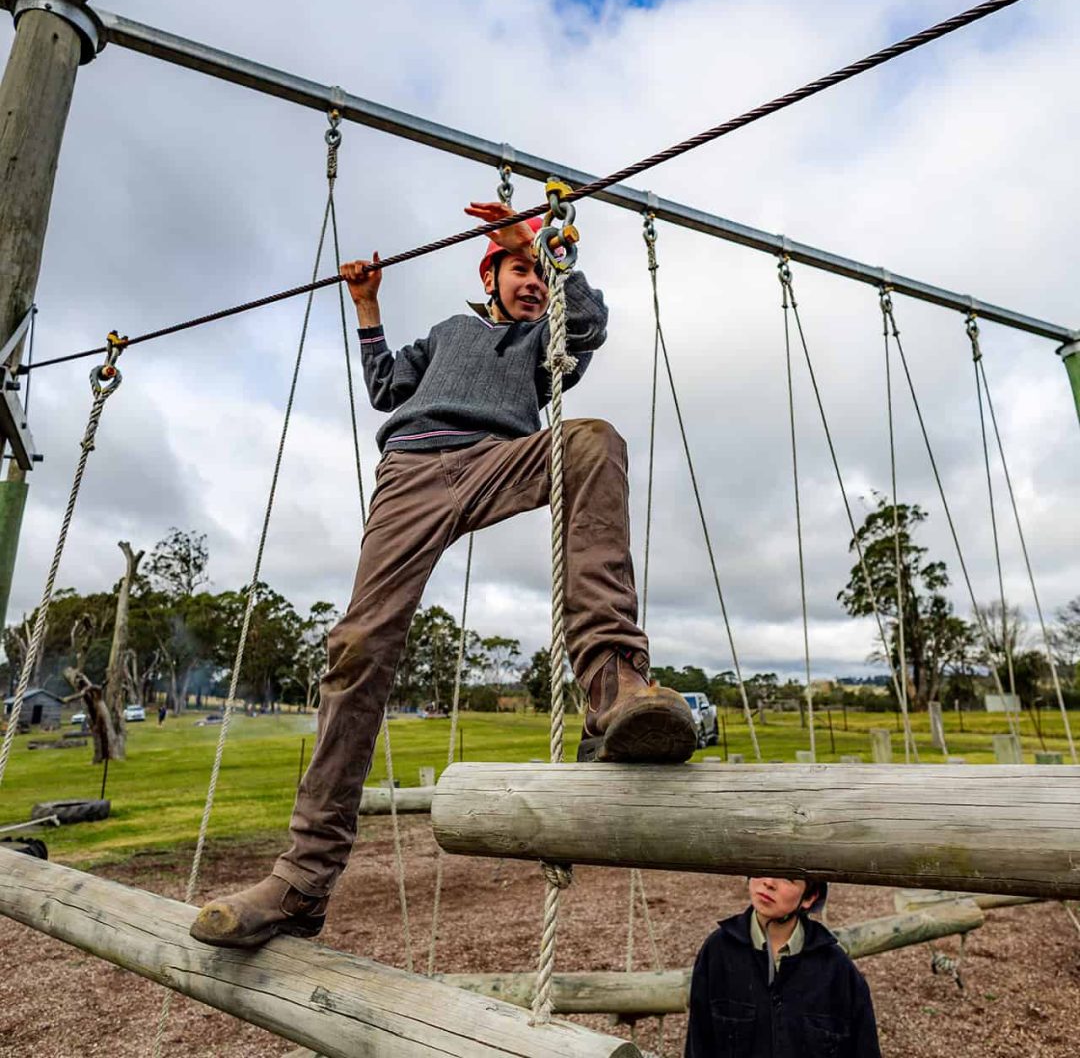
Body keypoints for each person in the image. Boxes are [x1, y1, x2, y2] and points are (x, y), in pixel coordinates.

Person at [189, 200, 697, 949]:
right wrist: (367, 305)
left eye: (535, 268)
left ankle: (615, 686)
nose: (529, 280)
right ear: (487, 275)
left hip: (498, 458)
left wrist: (546, 253)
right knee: (357, 647)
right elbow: (386, 386)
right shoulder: (448, 334)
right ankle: (301, 881)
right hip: (411, 472)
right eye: (517, 268)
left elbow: (586, 327)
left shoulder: (542, 336)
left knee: (593, 442)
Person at [685, 877, 881, 1057]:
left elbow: (864, 1048)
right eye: (764, 868)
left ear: (810, 897)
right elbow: (698, 1042)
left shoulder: (836, 968)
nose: (769, 882)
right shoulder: (718, 951)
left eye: (788, 878)